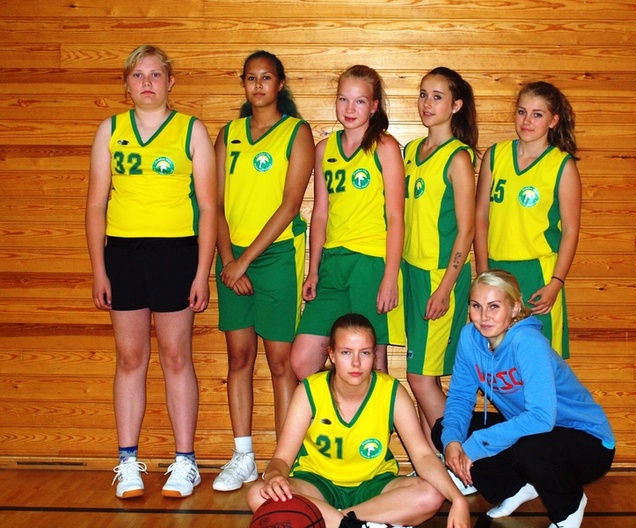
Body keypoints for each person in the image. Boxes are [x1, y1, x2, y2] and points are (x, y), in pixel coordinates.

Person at [85, 44, 217, 498]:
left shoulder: (191, 130)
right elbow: (96, 205)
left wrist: (201, 273)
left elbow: (209, 207)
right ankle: (128, 462)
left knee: (177, 357)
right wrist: (99, 270)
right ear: (126, 84)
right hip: (123, 254)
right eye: (138, 75)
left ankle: (185, 462)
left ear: (170, 82)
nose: (147, 82)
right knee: (129, 358)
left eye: (156, 74)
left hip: (176, 253)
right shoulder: (110, 130)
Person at [247, 313, 470, 528]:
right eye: (346, 352)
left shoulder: (391, 392)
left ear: (374, 355)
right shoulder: (310, 391)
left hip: (373, 486)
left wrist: (458, 499)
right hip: (316, 484)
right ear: (332, 355)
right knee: (258, 494)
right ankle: (366, 523)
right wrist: (275, 476)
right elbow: (282, 459)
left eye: (364, 353)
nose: (356, 363)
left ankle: (337, 521)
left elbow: (423, 456)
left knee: (431, 495)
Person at [434, 269, 615, 528]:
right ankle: (518, 487)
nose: (484, 316)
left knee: (529, 449)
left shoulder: (527, 342)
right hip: (537, 434)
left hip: (588, 442)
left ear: (515, 308)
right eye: (476, 306)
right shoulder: (469, 339)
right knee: (443, 429)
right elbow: (461, 397)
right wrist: (452, 442)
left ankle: (569, 506)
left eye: (494, 306)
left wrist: (473, 447)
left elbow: (541, 418)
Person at [212, 50, 315, 492]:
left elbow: (290, 206)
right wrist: (227, 261)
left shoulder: (296, 132)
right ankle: (243, 457)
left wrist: (244, 262)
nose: (258, 85)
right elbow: (214, 203)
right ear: (243, 83)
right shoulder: (229, 133)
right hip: (231, 258)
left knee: (280, 362)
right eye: (250, 78)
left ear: (280, 84)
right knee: (239, 358)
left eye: (266, 77)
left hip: (275, 257)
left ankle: (282, 461)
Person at [290, 65, 405, 380]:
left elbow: (396, 217)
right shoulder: (324, 149)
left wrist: (390, 277)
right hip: (332, 264)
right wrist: (313, 270)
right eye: (343, 99)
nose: (350, 108)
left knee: (374, 364)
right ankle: (341, 408)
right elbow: (321, 213)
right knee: (302, 362)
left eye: (359, 101)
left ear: (374, 106)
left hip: (371, 262)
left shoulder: (385, 147)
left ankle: (376, 416)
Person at [474, 81, 581, 358]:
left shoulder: (562, 165)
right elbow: (481, 216)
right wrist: (484, 272)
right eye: (522, 112)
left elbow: (570, 231)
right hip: (497, 270)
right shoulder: (496, 156)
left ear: (553, 120)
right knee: (499, 360)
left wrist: (556, 282)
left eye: (537, 114)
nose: (527, 121)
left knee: (540, 361)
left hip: (538, 273)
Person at [402, 67, 477, 445]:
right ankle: (435, 459)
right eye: (422, 94)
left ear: (456, 105)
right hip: (410, 273)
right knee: (421, 374)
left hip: (438, 276)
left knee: (420, 377)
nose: (426, 103)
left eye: (437, 96)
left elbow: (466, 230)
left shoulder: (458, 158)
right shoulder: (411, 151)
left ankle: (458, 458)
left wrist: (446, 287)